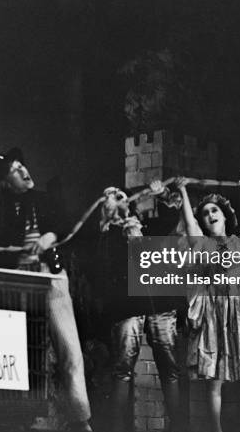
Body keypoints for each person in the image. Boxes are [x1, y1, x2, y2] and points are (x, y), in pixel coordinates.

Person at [0, 148, 93, 432]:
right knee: (25, 351)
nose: (22, 171)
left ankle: (80, 419)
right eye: (14, 171)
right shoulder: (0, 211)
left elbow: (67, 227)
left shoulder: (45, 201)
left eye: (22, 166)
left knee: (69, 348)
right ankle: (27, 418)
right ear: (5, 183)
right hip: (20, 283)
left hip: (52, 277)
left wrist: (49, 237)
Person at [163, 173, 240, 432]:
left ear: (225, 216)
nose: (210, 215)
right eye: (205, 213)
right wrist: (183, 192)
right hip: (213, 311)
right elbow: (189, 224)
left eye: (215, 210)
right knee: (214, 377)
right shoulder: (201, 244)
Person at [99, 185, 187, 432]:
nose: (120, 199)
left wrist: (161, 194)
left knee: (169, 368)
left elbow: (171, 217)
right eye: (113, 197)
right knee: (123, 368)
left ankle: (179, 427)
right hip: (129, 307)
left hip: (162, 303)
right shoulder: (108, 236)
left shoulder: (148, 226)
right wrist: (123, 237)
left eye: (121, 196)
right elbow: (107, 271)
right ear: (106, 208)